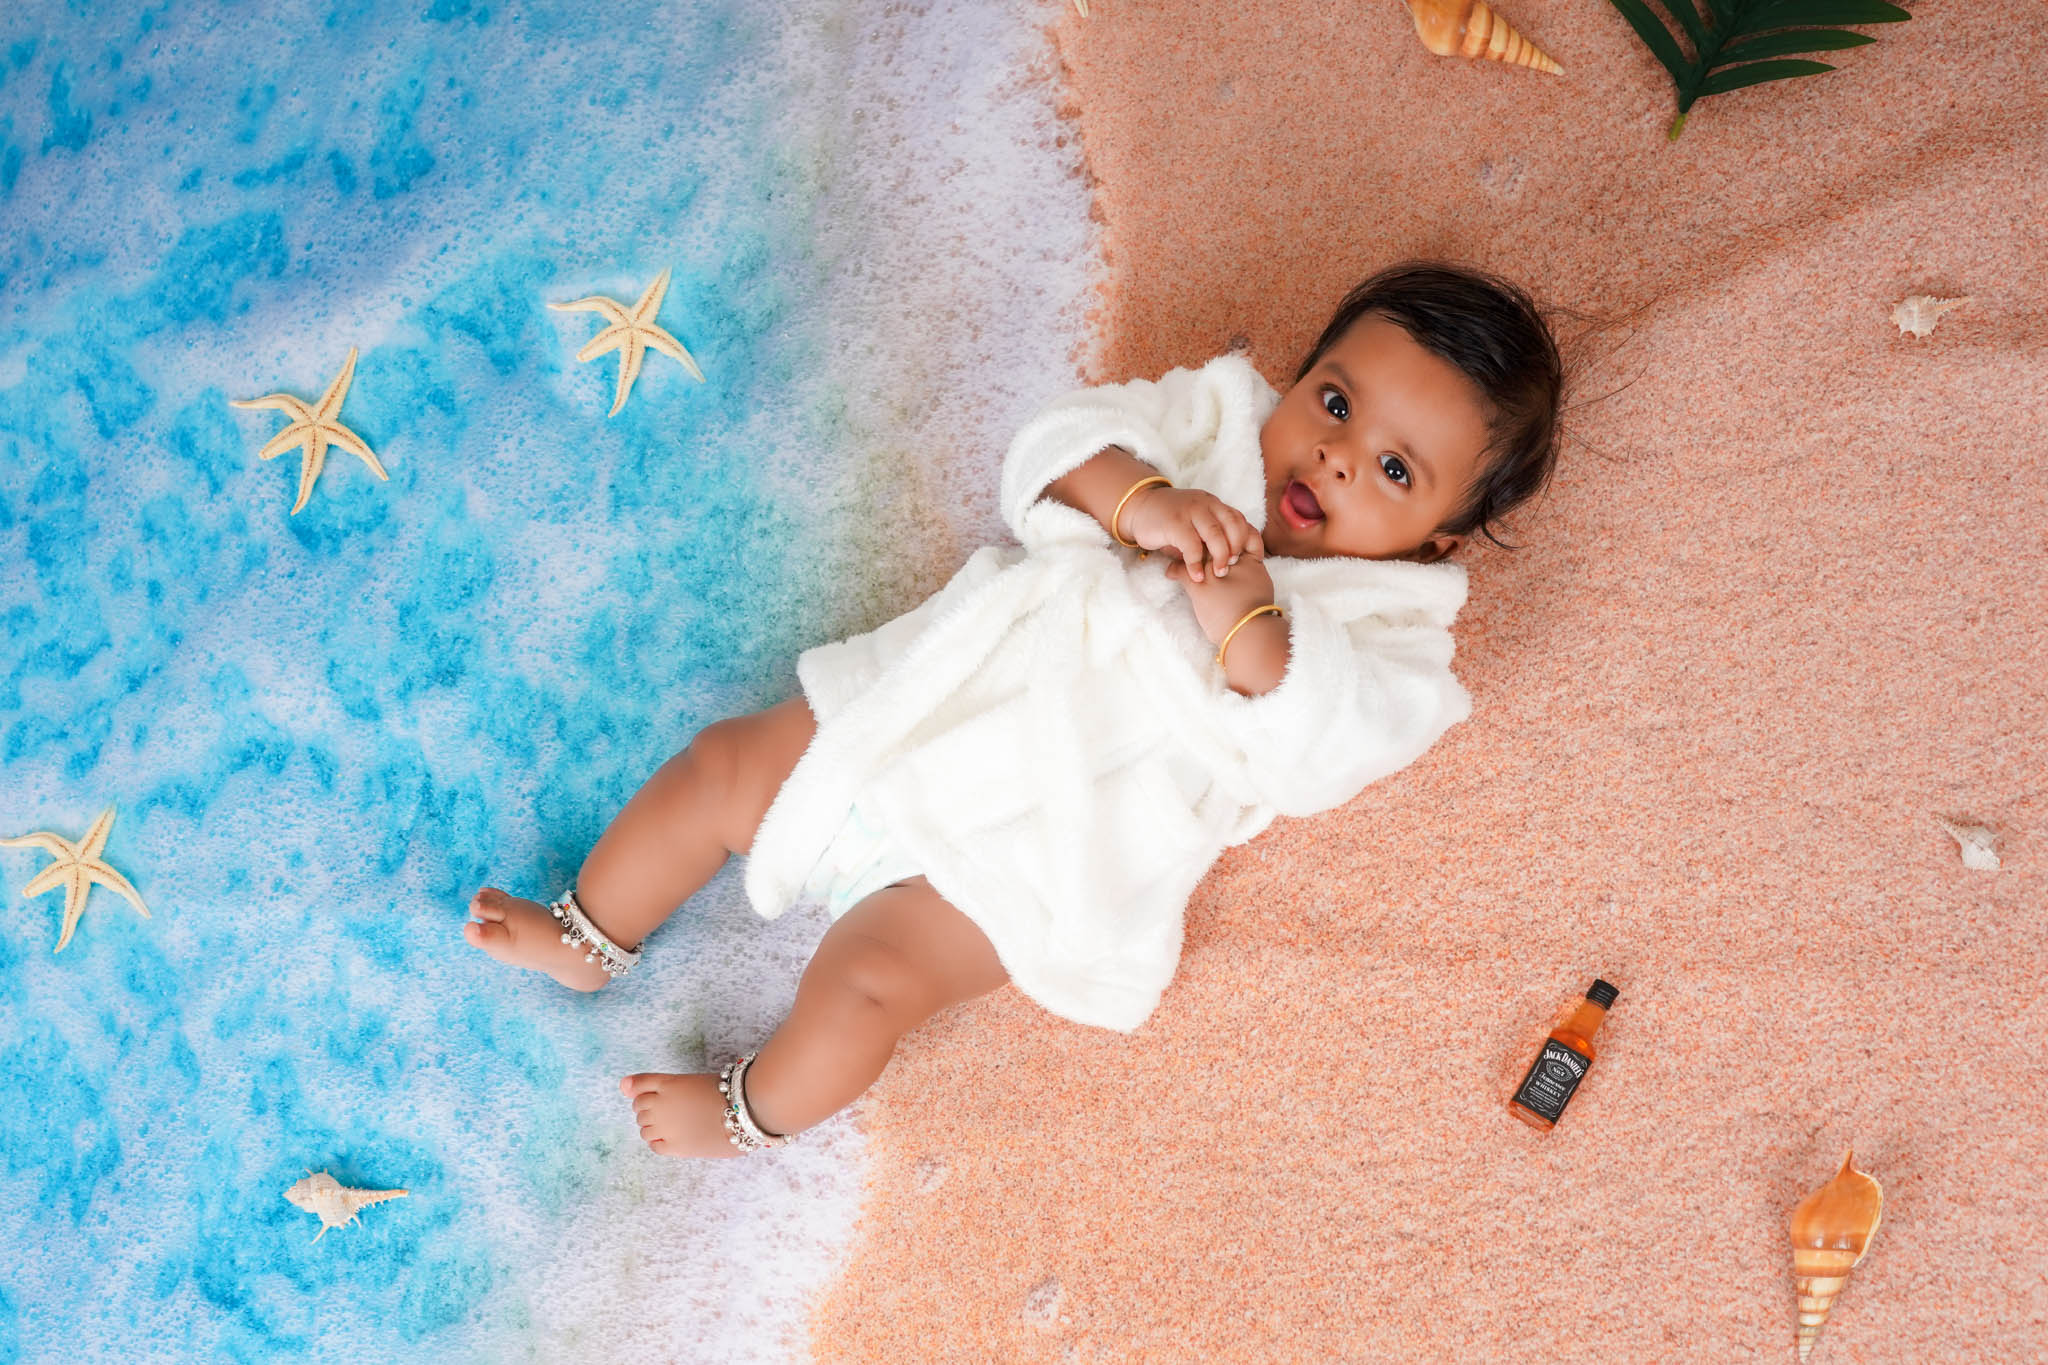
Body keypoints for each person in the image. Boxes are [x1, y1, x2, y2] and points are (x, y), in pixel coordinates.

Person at [463, 260, 1564, 1157]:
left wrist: (1252, 626)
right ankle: (586, 931)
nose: (1332, 456)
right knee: (718, 769)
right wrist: (1141, 499)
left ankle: (752, 1111)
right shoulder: (1209, 422)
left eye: (1391, 470)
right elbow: (1051, 446)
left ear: (1437, 541)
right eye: (1332, 402)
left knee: (867, 987)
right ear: (1296, 377)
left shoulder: (1396, 637)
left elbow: (1320, 753)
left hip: (1041, 854)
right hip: (933, 711)